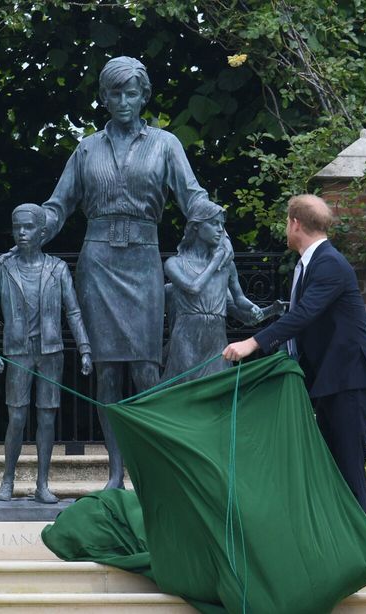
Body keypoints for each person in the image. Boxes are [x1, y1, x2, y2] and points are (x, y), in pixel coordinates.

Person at [38, 56, 226, 489]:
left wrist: (216, 226)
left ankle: (151, 464)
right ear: (104, 98)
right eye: (115, 93)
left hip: (143, 260)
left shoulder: (165, 144)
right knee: (107, 371)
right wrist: (34, 232)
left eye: (132, 93)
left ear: (144, 96)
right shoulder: (86, 148)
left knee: (145, 368)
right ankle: (115, 471)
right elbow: (59, 205)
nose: (124, 101)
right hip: (99, 262)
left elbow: (191, 196)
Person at [223, 194, 366, 512]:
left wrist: (252, 343)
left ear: (295, 223)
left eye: (286, 221)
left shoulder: (329, 263)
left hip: (349, 382)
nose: (286, 227)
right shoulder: (310, 263)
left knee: (348, 474)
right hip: (330, 383)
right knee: (330, 474)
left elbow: (304, 314)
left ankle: (363, 555)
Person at [0, 203, 93, 504]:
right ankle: (8, 481)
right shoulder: (3, 268)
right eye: (18, 227)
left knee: (46, 419)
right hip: (18, 353)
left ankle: (43, 484)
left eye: (28, 228)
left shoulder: (57, 269)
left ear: (43, 233)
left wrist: (84, 348)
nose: (22, 233)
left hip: (51, 352)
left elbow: (74, 311)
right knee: (16, 418)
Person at [162, 201, 263, 384]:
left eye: (222, 225)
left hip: (216, 337)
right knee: (186, 390)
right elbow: (193, 288)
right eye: (214, 223)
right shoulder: (174, 264)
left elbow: (239, 299)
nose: (220, 230)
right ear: (196, 227)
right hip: (187, 336)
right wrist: (215, 261)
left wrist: (256, 308)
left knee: (218, 390)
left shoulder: (227, 266)